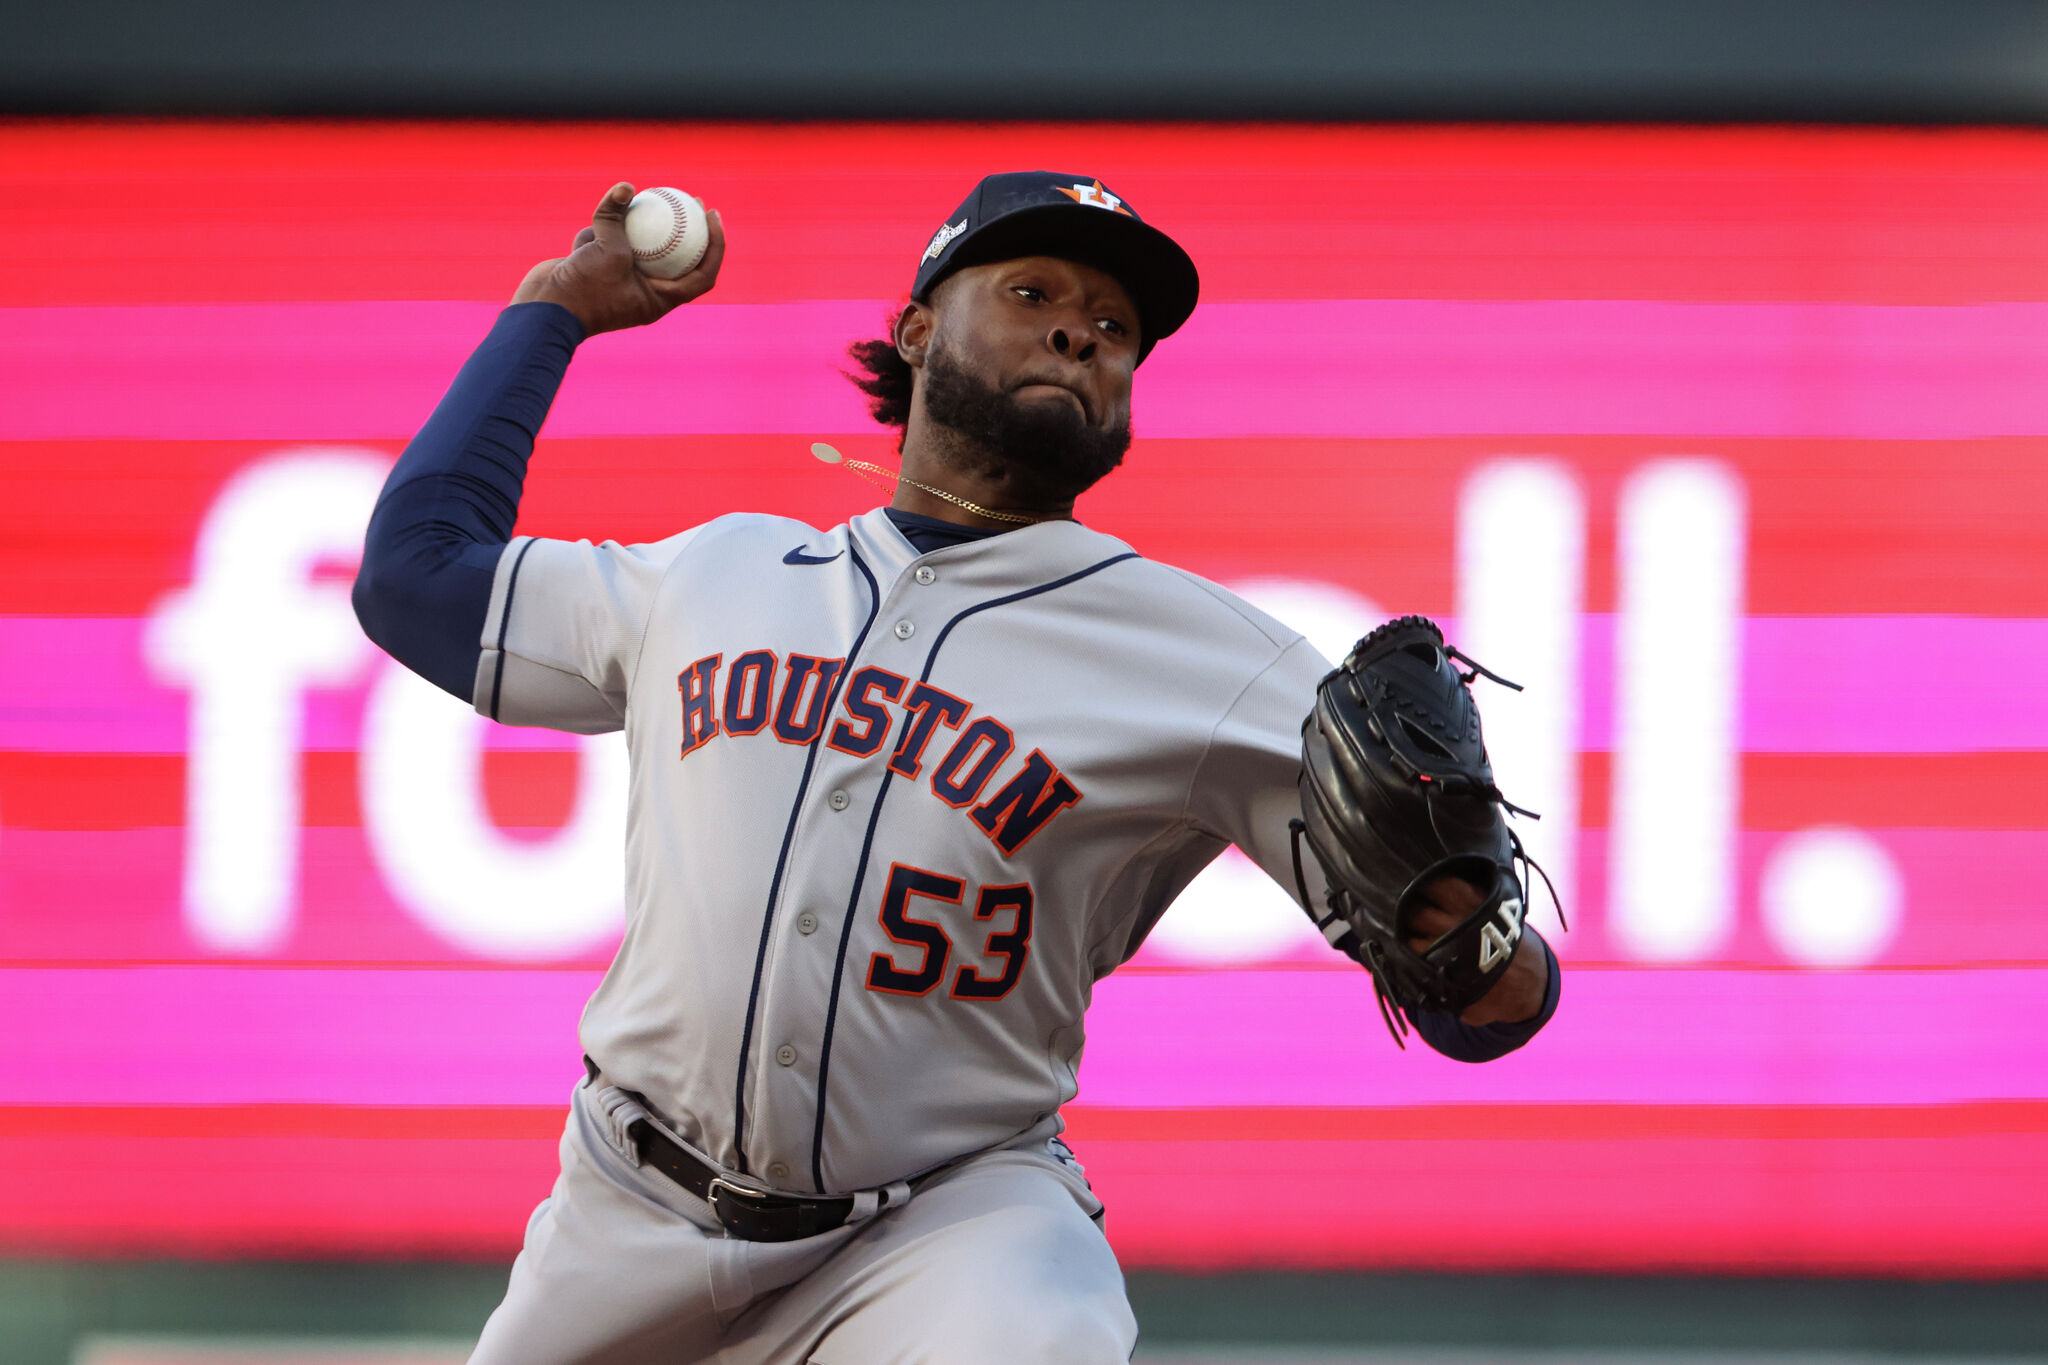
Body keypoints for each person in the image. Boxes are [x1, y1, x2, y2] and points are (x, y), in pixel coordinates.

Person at [353, 172, 1559, 1365]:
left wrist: (1486, 957)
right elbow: (412, 576)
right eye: (1032, 290)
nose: (1078, 332)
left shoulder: (1215, 660)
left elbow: (1481, 1006)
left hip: (942, 1230)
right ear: (918, 330)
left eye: (1113, 329)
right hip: (627, 1213)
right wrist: (552, 309)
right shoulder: (713, 577)